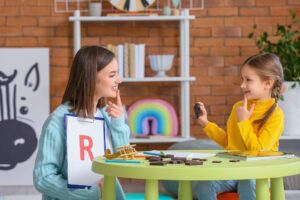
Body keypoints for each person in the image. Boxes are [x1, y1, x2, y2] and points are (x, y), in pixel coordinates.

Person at [33, 46, 130, 200]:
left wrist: (118, 124)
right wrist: (87, 194)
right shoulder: (57, 122)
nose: (119, 80)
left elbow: (125, 160)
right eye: (112, 75)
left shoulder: (106, 115)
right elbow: (43, 178)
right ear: (91, 78)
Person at [194, 52, 285, 200]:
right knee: (205, 184)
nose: (242, 85)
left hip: (257, 174)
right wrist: (205, 122)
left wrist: (244, 122)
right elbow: (230, 143)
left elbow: (257, 151)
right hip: (233, 171)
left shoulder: (276, 115)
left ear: (268, 83)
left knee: (247, 182)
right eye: (242, 79)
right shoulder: (238, 107)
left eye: (248, 80)